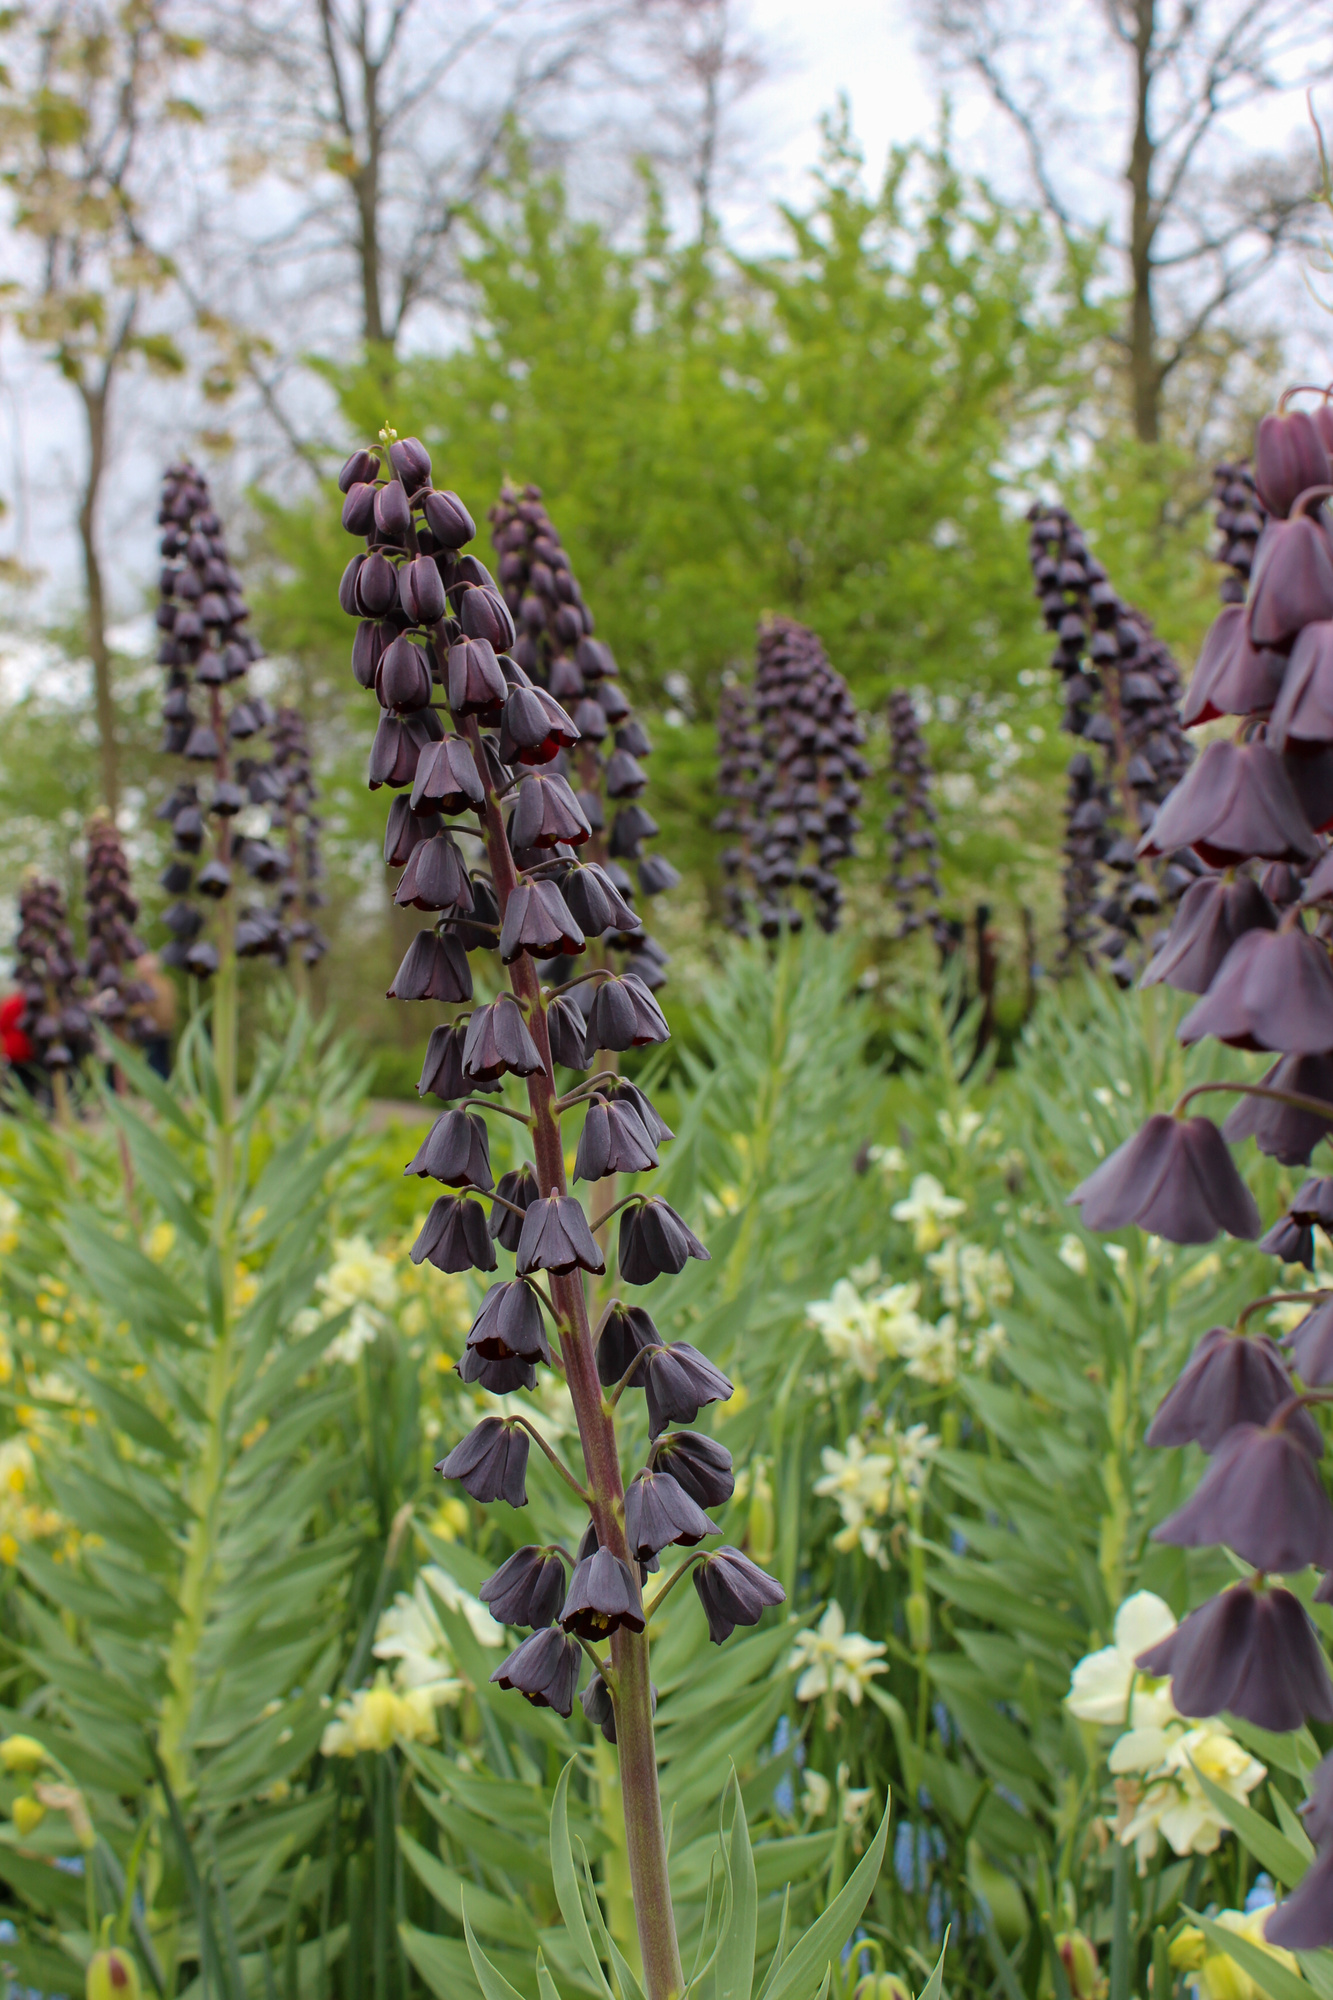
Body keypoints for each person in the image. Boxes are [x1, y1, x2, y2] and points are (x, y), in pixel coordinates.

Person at [131, 955, 177, 1079]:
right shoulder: (167, 983)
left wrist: (130, 1012)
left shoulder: (148, 985)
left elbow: (143, 1008)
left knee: (154, 1063)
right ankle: (167, 1088)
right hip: (166, 1028)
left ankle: (158, 1089)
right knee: (163, 1061)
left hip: (151, 1030)